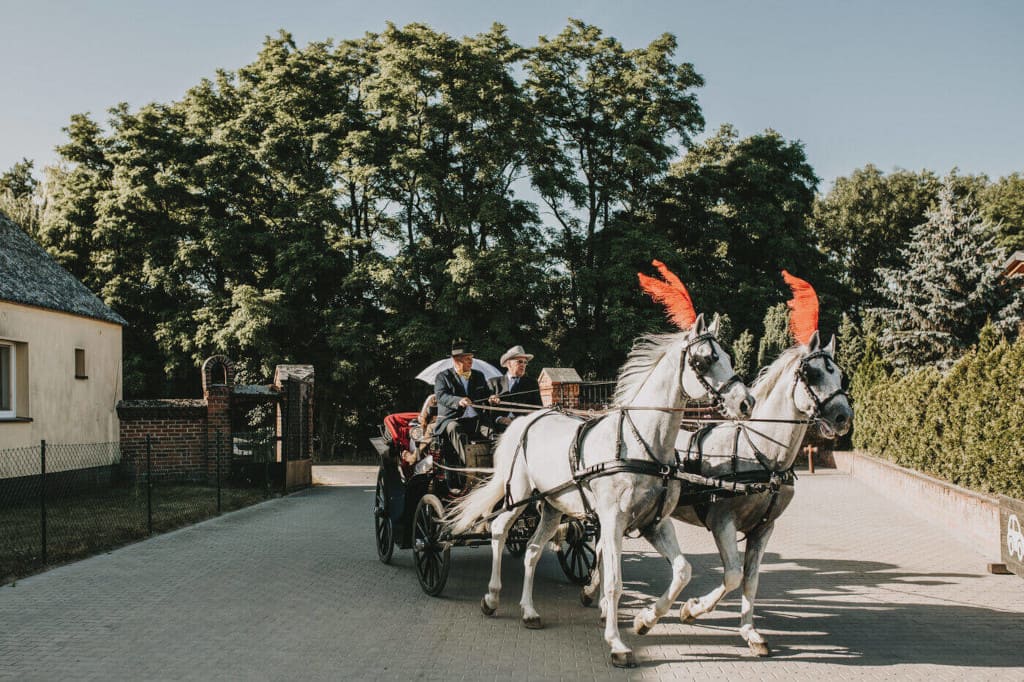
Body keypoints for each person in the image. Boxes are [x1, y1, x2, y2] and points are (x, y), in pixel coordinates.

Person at [434, 339, 495, 467]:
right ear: (457, 360)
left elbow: (486, 395)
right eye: (467, 358)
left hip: (475, 420)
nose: (471, 361)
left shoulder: (479, 376)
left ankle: (493, 466)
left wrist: (491, 398)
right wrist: (458, 400)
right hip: (452, 419)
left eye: (471, 358)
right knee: (455, 429)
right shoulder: (442, 377)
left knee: (491, 431)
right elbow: (441, 396)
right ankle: (471, 468)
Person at [489, 345, 542, 432]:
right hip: (499, 428)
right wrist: (499, 418)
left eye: (525, 362)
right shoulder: (494, 383)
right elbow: (485, 409)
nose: (523, 365)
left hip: (524, 427)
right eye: (520, 362)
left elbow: (538, 407)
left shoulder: (532, 383)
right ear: (509, 363)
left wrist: (522, 419)